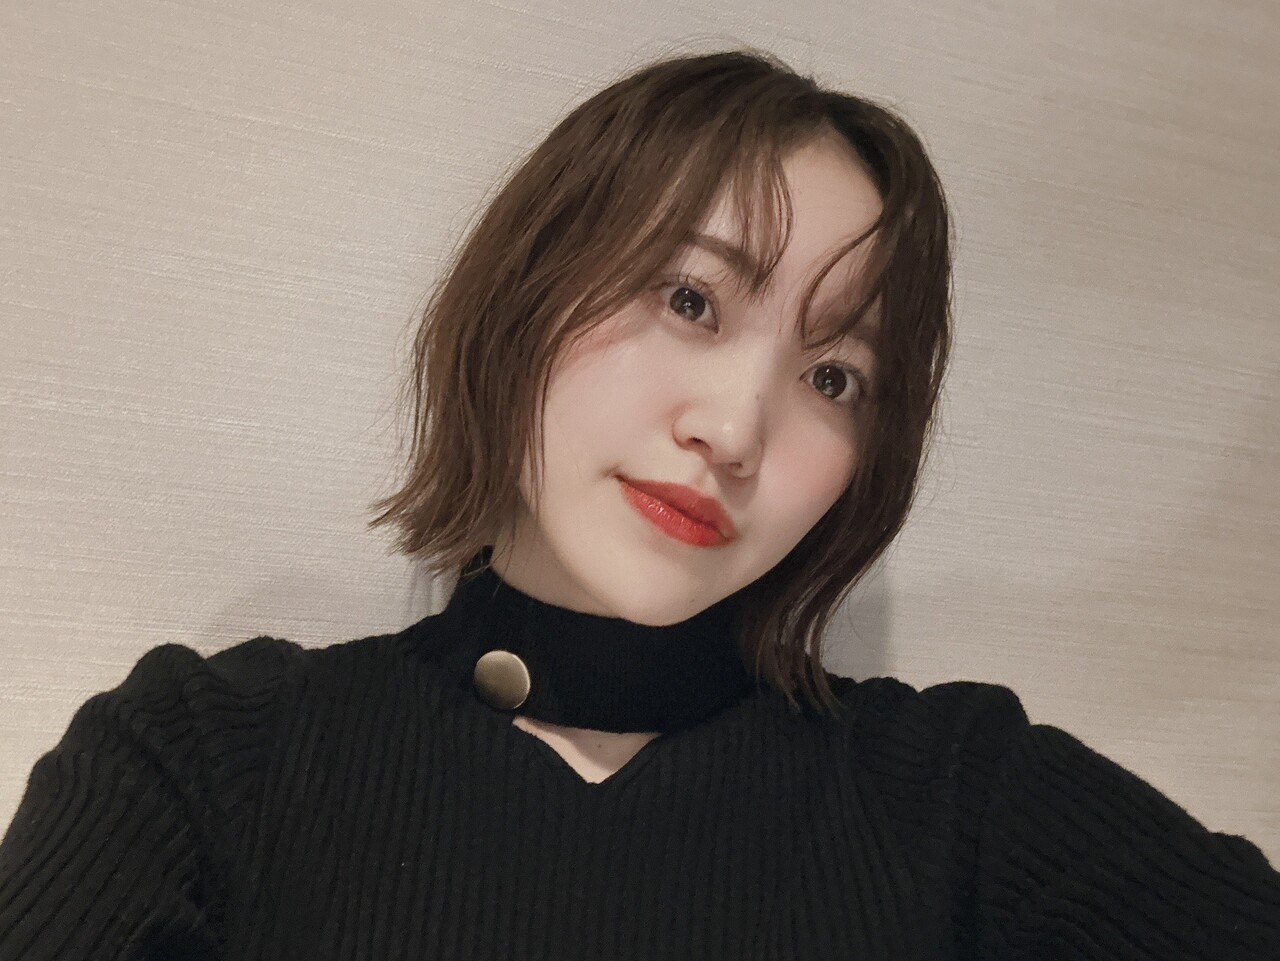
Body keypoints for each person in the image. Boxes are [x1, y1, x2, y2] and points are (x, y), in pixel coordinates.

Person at [0, 46, 1276, 960]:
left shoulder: (958, 795)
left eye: (834, 375)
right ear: (528, 286)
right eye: (688, 299)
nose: (734, 429)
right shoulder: (200, 759)